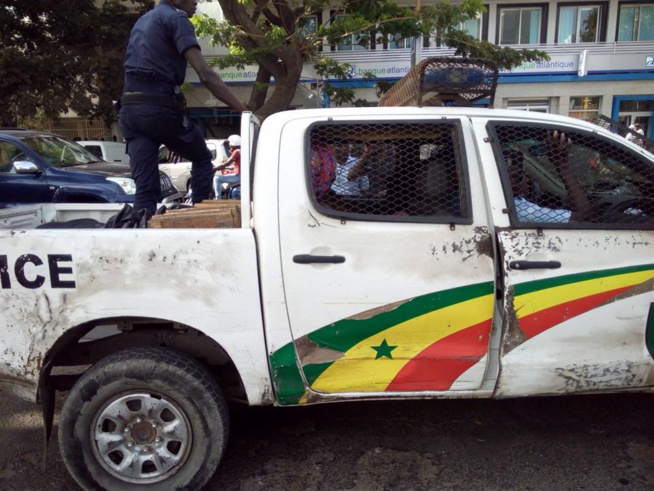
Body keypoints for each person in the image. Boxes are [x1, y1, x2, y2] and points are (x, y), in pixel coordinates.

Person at [118, 0, 248, 216]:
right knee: (202, 158)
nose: (196, 2)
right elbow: (205, 75)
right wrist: (242, 109)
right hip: (159, 110)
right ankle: (200, 215)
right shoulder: (177, 18)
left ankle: (141, 227)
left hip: (130, 112)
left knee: (145, 190)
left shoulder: (142, 21)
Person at [506, 130, 591, 223]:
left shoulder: (510, 202)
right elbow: (583, 216)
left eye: (521, 175)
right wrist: (562, 165)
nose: (526, 180)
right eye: (516, 176)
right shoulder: (517, 210)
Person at [212, 134, 241, 199]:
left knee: (217, 179)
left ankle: (218, 199)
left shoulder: (236, 152)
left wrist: (215, 168)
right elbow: (236, 166)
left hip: (238, 176)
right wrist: (225, 167)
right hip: (239, 175)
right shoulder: (241, 151)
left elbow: (227, 163)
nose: (229, 145)